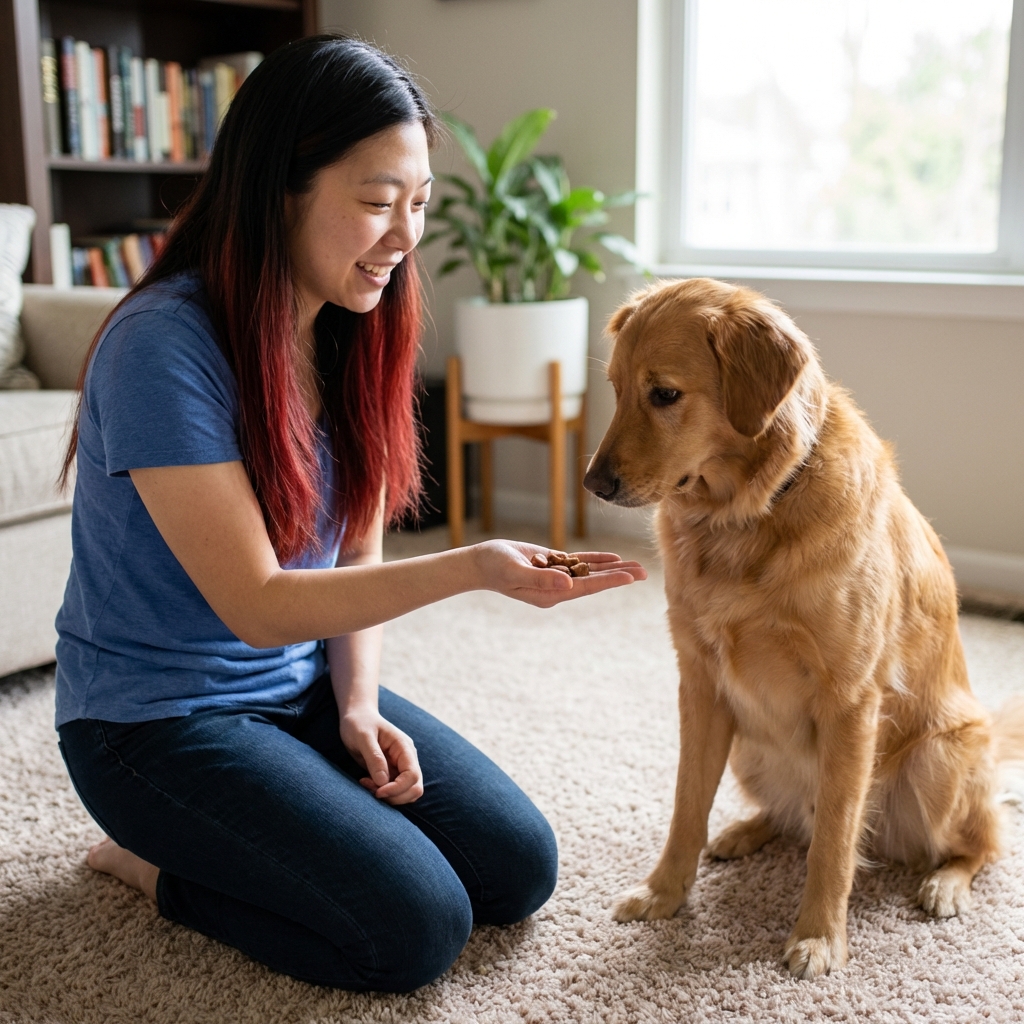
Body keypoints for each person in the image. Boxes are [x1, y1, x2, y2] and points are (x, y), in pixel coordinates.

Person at [53, 34, 646, 993]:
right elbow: (256, 603)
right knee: (414, 929)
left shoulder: (348, 319)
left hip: (297, 692)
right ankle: (156, 870)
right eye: (376, 203)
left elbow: (354, 536)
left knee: (516, 867)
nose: (404, 237)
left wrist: (358, 702)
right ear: (277, 188)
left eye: (418, 204)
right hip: (153, 727)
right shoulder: (161, 347)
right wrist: (472, 566)